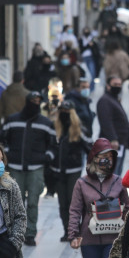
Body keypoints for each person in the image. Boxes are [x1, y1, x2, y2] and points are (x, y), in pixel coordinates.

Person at [0, 91, 56, 246]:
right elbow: (2, 140)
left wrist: (47, 158)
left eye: (38, 100)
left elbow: (52, 144)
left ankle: (30, 233)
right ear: (27, 101)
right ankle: (15, 232)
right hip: (15, 167)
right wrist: (7, 154)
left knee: (32, 202)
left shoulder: (46, 123)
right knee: (16, 202)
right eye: (33, 100)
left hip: (36, 167)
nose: (35, 103)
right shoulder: (12, 120)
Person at [51, 101, 91, 241]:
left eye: (67, 110)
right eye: (61, 110)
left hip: (73, 169)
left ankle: (74, 230)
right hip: (57, 170)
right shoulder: (55, 128)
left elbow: (90, 148)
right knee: (62, 202)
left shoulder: (79, 129)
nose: (64, 113)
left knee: (72, 202)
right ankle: (67, 231)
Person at [98, 76, 129, 172]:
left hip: (120, 142)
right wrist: (113, 139)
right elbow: (106, 121)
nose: (118, 87)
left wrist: (128, 125)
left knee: (117, 172)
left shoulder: (113, 98)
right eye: (115, 84)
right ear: (108, 86)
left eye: (119, 84)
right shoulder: (105, 100)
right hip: (112, 144)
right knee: (112, 172)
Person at [0, 71, 30, 135]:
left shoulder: (5, 93)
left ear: (13, 79)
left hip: (8, 124)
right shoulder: (27, 94)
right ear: (23, 80)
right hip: (23, 125)